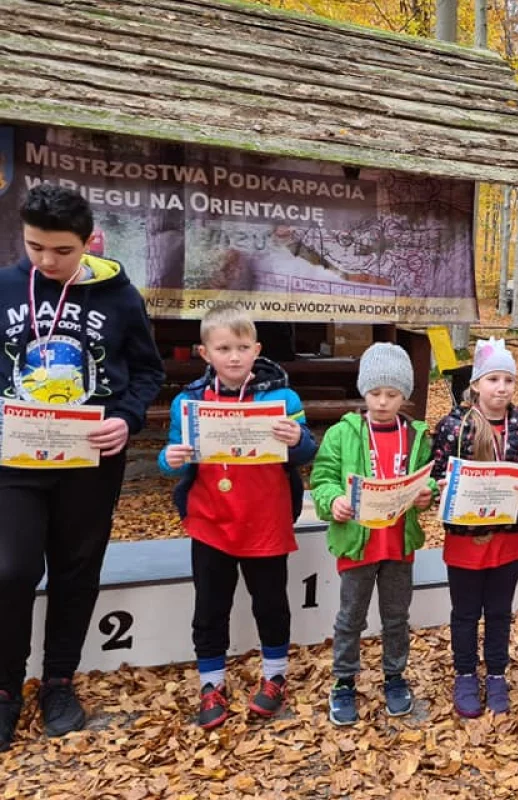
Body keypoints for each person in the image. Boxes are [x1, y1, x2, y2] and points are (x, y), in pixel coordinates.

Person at [0, 184, 164, 751]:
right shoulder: (3, 287)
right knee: (11, 570)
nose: (46, 261)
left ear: (90, 240)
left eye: (60, 251)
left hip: (90, 461)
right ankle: (4, 688)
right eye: (34, 247)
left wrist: (126, 419)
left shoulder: (118, 295)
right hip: (14, 462)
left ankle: (58, 681)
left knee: (76, 572)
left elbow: (147, 371)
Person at [159, 304, 317, 730]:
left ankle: (274, 676)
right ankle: (212, 683)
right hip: (210, 519)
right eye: (224, 347)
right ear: (205, 352)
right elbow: (172, 455)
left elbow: (307, 451)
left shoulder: (283, 397)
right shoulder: (188, 400)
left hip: (266, 519)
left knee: (271, 602)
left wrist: (297, 437)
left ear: (257, 349)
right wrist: (169, 457)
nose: (234, 356)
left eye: (242, 347)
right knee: (211, 606)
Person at [311, 343, 435, 725]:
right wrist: (333, 502)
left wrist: (423, 499)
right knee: (351, 617)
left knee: (396, 616)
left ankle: (395, 677)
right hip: (357, 543)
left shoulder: (416, 435)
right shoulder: (341, 434)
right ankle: (344, 682)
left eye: (392, 394)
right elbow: (323, 479)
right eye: (375, 393)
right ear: (364, 391)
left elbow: (425, 485)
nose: (382, 402)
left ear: (404, 396)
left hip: (398, 544)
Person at [430, 338, 518, 718]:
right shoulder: (452, 426)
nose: (502, 388)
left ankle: (495, 674)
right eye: (493, 379)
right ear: (476, 384)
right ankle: (464, 674)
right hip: (465, 537)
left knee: (498, 611)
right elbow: (435, 477)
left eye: (508, 380)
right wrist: (442, 488)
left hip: (509, 536)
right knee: (464, 612)